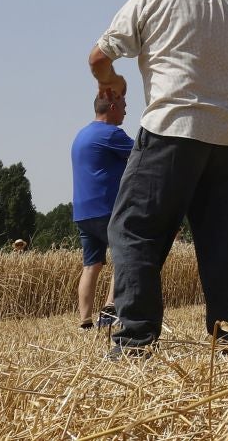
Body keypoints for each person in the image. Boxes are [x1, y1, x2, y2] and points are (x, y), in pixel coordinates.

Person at [89, 0, 228, 356]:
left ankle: (135, 339)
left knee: (133, 230)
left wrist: (111, 82)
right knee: (222, 241)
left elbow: (98, 57)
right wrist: (221, 98)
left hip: (170, 129)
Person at [71, 89, 133, 330]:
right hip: (107, 208)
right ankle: (110, 309)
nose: (126, 110)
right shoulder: (111, 134)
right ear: (112, 107)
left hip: (83, 211)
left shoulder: (81, 135)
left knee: (91, 265)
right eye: (124, 105)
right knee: (125, 256)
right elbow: (143, 154)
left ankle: (85, 322)